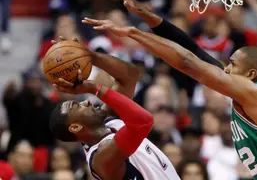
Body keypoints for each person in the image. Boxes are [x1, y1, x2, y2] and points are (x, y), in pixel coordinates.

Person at [82, 0, 257, 179]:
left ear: (251, 74)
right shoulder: (251, 91)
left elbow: (190, 63)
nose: (225, 69)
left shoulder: (256, 94)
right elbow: (194, 50)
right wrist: (148, 16)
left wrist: (135, 33)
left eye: (232, 64)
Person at [50, 38, 180, 180]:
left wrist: (89, 56)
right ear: (75, 127)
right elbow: (143, 122)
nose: (85, 102)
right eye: (77, 106)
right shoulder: (102, 158)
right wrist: (94, 88)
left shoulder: (109, 123)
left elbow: (130, 75)